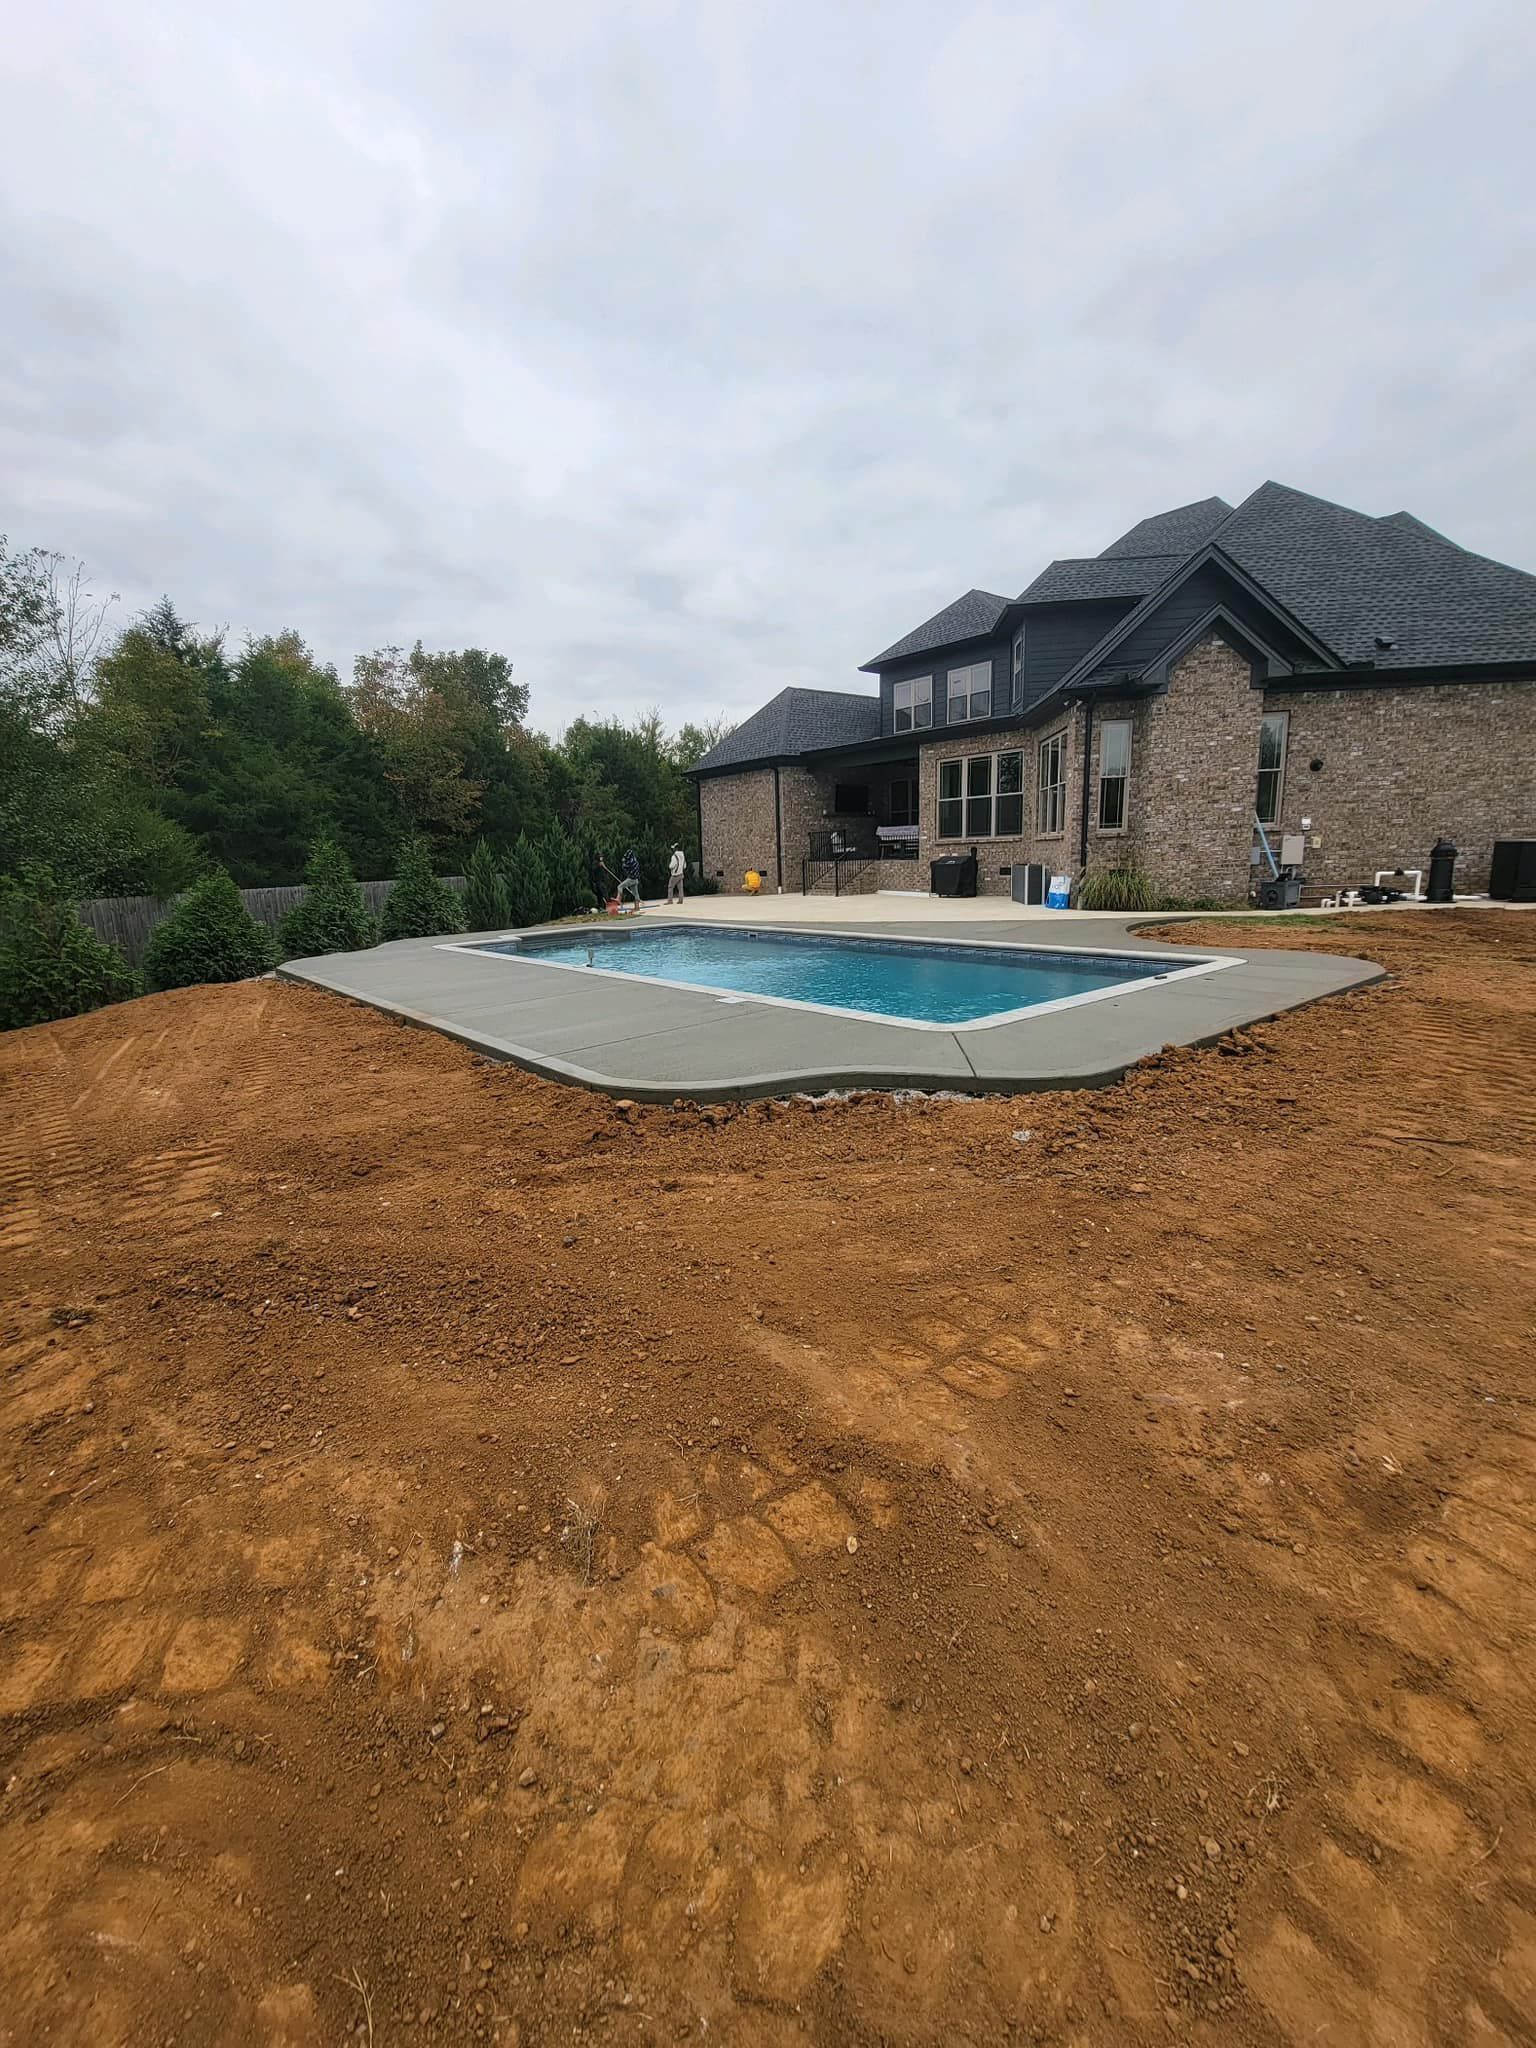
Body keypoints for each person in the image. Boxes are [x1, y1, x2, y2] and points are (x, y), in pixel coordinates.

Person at [617, 847, 642, 911]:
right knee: (636, 893)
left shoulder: (631, 862)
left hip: (631, 879)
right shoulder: (635, 860)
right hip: (636, 879)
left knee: (620, 886)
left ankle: (618, 899)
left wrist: (623, 861)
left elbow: (624, 867)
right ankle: (637, 907)